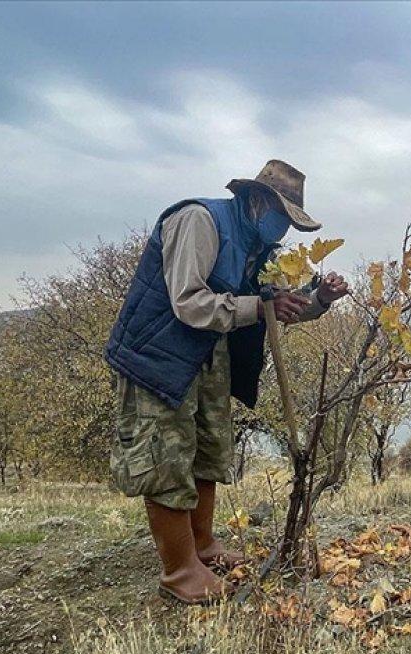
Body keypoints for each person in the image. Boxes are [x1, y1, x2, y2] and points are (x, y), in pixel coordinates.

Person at [104, 160, 348, 604]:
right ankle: (179, 571)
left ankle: (202, 546)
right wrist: (258, 306)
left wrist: (319, 299)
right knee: (166, 458)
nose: (283, 229)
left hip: (206, 358)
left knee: (207, 450)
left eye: (290, 222)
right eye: (281, 215)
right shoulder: (198, 220)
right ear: (256, 200)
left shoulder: (259, 247)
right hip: (158, 357)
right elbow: (190, 303)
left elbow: (277, 306)